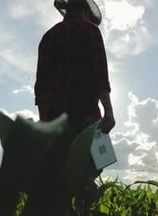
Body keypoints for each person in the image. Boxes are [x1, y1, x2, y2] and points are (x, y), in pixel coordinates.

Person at [34, 0, 115, 134]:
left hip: (53, 120)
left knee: (62, 156)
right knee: (88, 154)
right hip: (85, 114)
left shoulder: (48, 36)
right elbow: (100, 75)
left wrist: (44, 120)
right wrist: (108, 111)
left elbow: (40, 85)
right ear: (85, 12)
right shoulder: (91, 31)